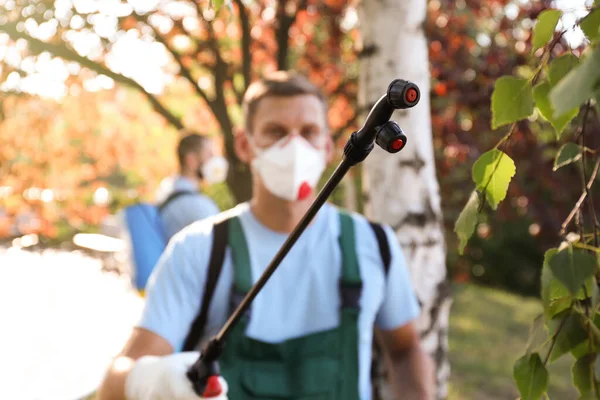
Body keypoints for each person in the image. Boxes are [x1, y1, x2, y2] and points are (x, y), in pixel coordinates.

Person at [97, 71, 434, 400]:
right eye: (276, 131)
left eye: (309, 131)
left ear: (328, 146)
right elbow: (113, 384)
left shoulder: (373, 243)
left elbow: (405, 349)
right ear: (245, 145)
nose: (294, 145)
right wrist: (150, 381)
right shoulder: (198, 249)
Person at [155, 132, 226, 241]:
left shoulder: (165, 189)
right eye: (209, 155)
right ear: (191, 160)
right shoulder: (199, 205)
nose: (214, 161)